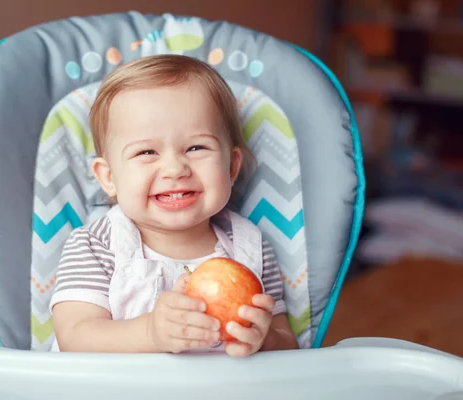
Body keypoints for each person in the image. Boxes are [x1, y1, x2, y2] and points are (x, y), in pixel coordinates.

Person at [50, 54, 298, 357]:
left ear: (232, 168)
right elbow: (75, 336)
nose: (175, 169)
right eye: (146, 152)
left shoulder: (250, 249)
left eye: (196, 147)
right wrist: (150, 333)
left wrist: (265, 339)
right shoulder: (95, 245)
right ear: (109, 177)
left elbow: (288, 343)